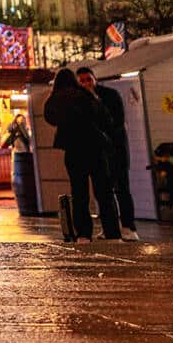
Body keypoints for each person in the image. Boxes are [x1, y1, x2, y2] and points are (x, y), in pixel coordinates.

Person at [42, 68, 121, 241]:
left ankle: (84, 234)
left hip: (73, 151)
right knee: (104, 192)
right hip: (95, 148)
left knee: (79, 193)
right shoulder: (85, 95)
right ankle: (113, 232)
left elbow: (49, 117)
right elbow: (104, 118)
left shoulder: (55, 99)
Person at [76, 68, 135, 237]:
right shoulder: (82, 100)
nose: (86, 83)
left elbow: (116, 122)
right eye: (82, 81)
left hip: (116, 149)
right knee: (104, 190)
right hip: (100, 152)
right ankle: (110, 226)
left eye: (88, 79)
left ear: (95, 79)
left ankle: (128, 226)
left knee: (121, 187)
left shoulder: (109, 95)